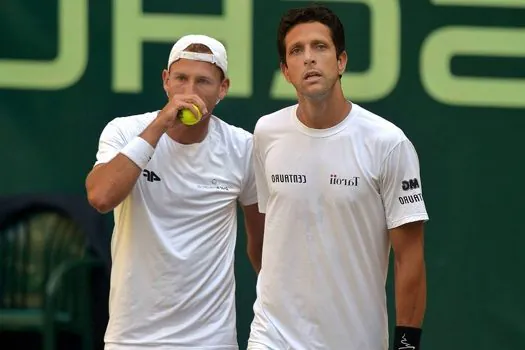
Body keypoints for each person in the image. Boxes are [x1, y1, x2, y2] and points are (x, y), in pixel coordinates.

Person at [247, 5, 428, 350]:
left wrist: (408, 345)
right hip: (272, 336)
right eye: (296, 51)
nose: (309, 59)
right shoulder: (266, 133)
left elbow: (410, 256)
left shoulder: (388, 143)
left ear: (341, 61)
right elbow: (268, 234)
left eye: (320, 47)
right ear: (286, 71)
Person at [85, 34, 265, 350]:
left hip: (211, 341)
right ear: (166, 81)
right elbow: (100, 197)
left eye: (204, 82)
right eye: (181, 79)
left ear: (222, 89)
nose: (190, 92)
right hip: (132, 339)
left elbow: (262, 243)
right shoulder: (125, 131)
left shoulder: (243, 148)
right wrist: (159, 126)